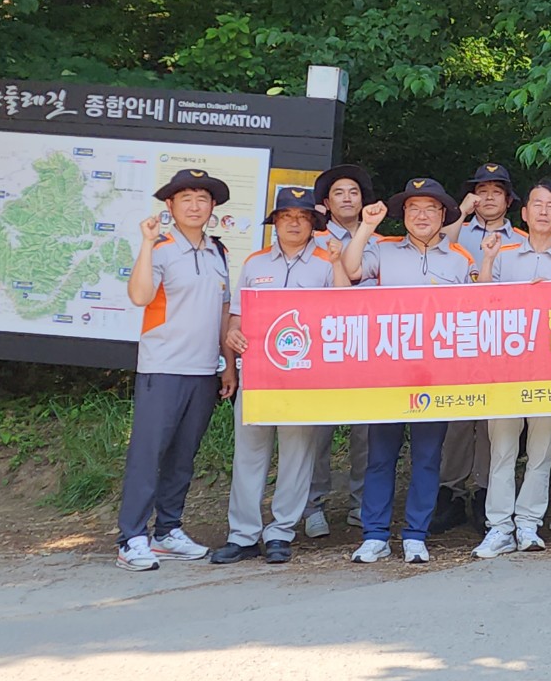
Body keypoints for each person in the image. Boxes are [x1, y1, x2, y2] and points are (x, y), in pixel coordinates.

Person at [339, 178, 476, 564]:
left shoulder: (460, 259)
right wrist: (367, 226)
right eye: (414, 208)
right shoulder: (383, 249)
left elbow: (476, 310)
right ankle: (375, 535)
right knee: (380, 456)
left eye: (430, 209)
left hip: (436, 374)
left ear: (443, 215)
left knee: (428, 457)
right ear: (403, 215)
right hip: (388, 373)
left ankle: (416, 533)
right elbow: (350, 270)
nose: (422, 216)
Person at [211, 188, 341, 565]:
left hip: (304, 376)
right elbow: (237, 316)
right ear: (275, 223)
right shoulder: (255, 263)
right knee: (249, 454)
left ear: (314, 224)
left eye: (302, 217)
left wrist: (337, 265)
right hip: (257, 374)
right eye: (286, 217)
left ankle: (282, 532)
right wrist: (232, 339)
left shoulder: (325, 263)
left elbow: (343, 312)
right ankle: (243, 535)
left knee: (297, 455)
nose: (294, 223)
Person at [116, 168, 236, 571]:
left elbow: (224, 313)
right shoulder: (161, 248)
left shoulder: (218, 252)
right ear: (170, 205)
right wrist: (146, 244)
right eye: (186, 199)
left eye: (203, 199)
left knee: (183, 457)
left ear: (213, 206)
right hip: (163, 367)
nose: (195, 206)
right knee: (148, 454)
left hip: (203, 370)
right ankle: (131, 537)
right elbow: (140, 296)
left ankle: (167, 531)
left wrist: (228, 365)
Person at [471, 180, 551, 557]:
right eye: (537, 204)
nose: (543, 211)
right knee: (502, 450)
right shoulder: (502, 253)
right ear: (523, 212)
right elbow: (480, 304)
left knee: (541, 450)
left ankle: (528, 524)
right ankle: (498, 527)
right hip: (506, 370)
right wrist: (487, 261)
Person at [432, 162, 527, 535]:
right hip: (458, 338)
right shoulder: (456, 231)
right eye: (481, 191)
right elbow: (438, 247)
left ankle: (486, 493)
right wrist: (461, 211)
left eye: (496, 192)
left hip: (502, 341)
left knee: (493, 420)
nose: (488, 198)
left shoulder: (520, 239)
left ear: (508, 200)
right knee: (457, 419)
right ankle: (450, 492)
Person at [303, 163, 379, 539]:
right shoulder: (312, 239)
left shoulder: (380, 240)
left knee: (366, 432)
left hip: (369, 346)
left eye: (354, 192)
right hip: (324, 345)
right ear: (326, 203)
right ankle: (313, 504)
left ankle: (360, 503)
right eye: (339, 193)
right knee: (318, 431)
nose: (347, 198)